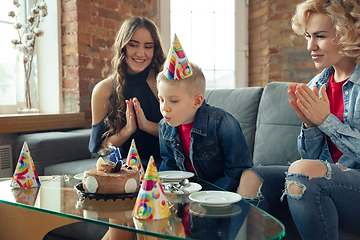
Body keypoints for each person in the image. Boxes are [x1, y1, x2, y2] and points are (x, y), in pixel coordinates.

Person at [238, 0, 360, 239]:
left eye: (320, 36)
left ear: (347, 34)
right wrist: (310, 125)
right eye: (307, 36)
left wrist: (326, 120)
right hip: (324, 183)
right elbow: (311, 160)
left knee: (301, 172)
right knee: (252, 177)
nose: (310, 46)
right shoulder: (316, 85)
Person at [157, 35, 252, 192]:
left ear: (197, 101)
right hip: (186, 193)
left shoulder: (222, 123)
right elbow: (169, 164)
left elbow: (238, 168)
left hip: (219, 194)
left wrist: (207, 196)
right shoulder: (164, 126)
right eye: (161, 99)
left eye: (173, 101)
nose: (164, 108)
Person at [88, 16, 166, 167]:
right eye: (133, 45)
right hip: (126, 164)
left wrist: (147, 126)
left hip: (167, 162)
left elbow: (182, 133)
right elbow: (100, 148)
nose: (141, 53)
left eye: (148, 46)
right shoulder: (103, 90)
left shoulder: (163, 81)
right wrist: (127, 131)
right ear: (122, 47)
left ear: (155, 49)